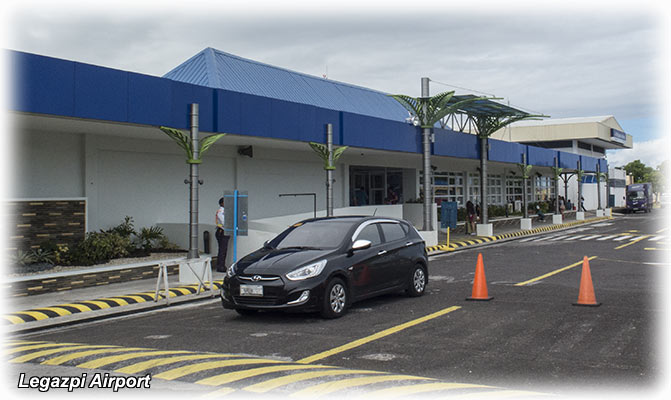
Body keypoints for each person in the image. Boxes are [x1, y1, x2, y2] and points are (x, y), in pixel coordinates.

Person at [215, 197, 229, 272]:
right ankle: (220, 266)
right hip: (222, 231)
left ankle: (221, 265)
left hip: (224, 231)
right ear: (222, 203)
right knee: (222, 250)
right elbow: (224, 222)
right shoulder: (221, 211)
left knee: (223, 249)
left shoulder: (225, 211)